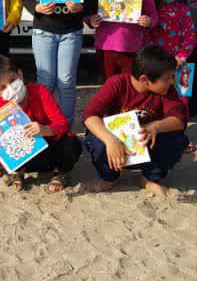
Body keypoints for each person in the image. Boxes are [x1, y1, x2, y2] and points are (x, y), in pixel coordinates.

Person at [81, 44, 189, 196]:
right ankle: (109, 178)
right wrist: (110, 140)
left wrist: (156, 126)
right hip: (115, 149)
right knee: (95, 140)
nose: (172, 81)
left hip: (145, 145)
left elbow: (179, 120)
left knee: (177, 140)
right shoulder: (117, 83)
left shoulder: (166, 90)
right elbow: (89, 115)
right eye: (167, 78)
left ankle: (148, 178)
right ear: (144, 79)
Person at [0, 55, 82, 193]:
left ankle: (60, 173)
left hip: (49, 147)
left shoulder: (40, 91)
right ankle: (18, 171)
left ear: (20, 74)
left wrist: (45, 129)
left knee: (72, 144)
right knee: (7, 144)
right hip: (26, 155)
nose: (11, 87)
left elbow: (62, 124)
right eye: (3, 87)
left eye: (13, 80)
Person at [147, 0, 197, 112]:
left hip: (179, 61)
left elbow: (190, 35)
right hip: (155, 60)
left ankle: (179, 125)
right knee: (154, 94)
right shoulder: (152, 10)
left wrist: (182, 56)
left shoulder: (183, 10)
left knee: (181, 95)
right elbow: (145, 35)